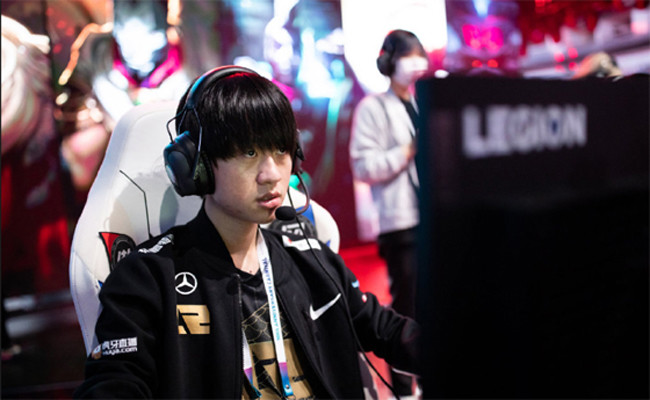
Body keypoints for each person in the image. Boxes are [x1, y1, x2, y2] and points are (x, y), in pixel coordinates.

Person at [74, 66, 419, 399]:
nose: (272, 175)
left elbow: (391, 332)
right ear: (197, 165)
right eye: (249, 152)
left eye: (281, 150)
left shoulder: (311, 260)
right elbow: (115, 383)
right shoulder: (148, 277)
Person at [349, 29, 428, 397]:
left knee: (434, 303)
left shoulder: (421, 102)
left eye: (418, 54)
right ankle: (403, 388)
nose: (415, 62)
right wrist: (407, 151)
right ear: (389, 62)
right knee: (406, 307)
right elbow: (363, 166)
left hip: (429, 219)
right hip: (400, 223)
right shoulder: (373, 108)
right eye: (407, 55)